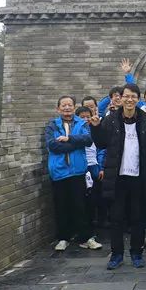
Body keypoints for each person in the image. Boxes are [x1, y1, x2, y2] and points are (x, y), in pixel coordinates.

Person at [90, 83, 146, 269]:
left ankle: (137, 253)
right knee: (116, 218)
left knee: (137, 217)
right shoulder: (111, 120)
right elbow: (102, 143)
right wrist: (95, 128)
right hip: (117, 177)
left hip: (138, 177)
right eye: (126, 96)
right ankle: (117, 254)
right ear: (121, 98)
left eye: (133, 96)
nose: (129, 100)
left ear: (138, 99)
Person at [45, 96, 92, 252]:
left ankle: (85, 237)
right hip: (59, 171)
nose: (67, 108)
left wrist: (69, 138)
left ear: (74, 107)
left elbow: (88, 139)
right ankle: (63, 238)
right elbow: (52, 145)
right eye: (63, 105)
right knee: (61, 206)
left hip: (77, 171)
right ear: (58, 109)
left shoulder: (82, 123)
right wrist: (75, 145)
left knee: (80, 206)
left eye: (69, 105)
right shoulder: (52, 125)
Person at [75, 106, 105, 250]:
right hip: (81, 168)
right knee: (83, 202)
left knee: (94, 200)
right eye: (82, 117)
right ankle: (84, 234)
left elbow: (101, 148)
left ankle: (92, 231)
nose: (86, 119)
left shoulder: (95, 130)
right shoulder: (76, 131)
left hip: (94, 167)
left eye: (88, 116)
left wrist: (101, 167)